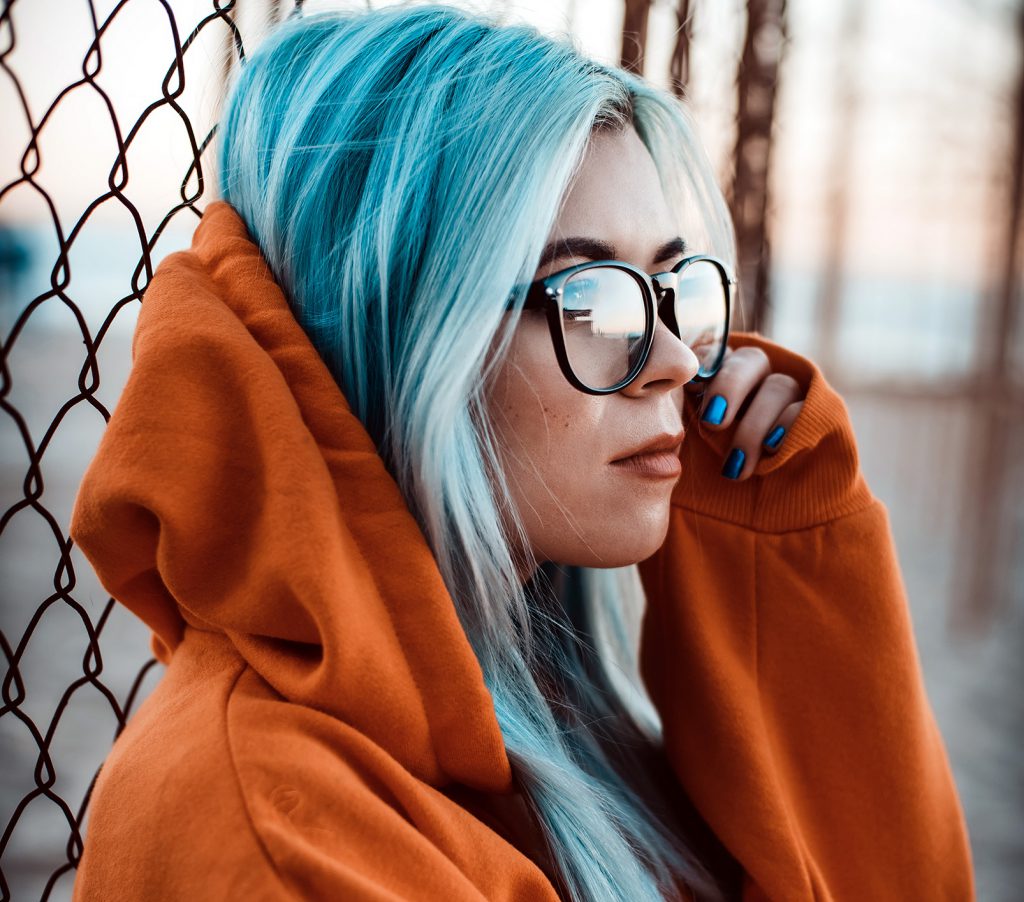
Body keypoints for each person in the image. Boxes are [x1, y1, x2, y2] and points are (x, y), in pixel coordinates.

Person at [68, 4, 974, 900]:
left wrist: (782, 560)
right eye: (593, 299)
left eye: (672, 288)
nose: (672, 361)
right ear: (407, 331)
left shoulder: (563, 718)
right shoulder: (271, 836)